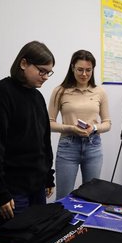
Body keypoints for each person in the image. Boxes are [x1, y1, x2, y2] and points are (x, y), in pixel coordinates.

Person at [0, 40, 56, 234]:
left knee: (36, 241)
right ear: (23, 63)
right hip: (10, 193)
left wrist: (48, 176)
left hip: (36, 187)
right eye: (42, 71)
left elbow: (44, 142)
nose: (46, 77)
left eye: (49, 73)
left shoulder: (37, 97)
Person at [48, 50, 111, 200]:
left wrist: (94, 128)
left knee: (92, 196)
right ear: (72, 68)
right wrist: (70, 128)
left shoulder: (100, 92)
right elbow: (49, 124)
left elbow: (107, 123)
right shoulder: (60, 91)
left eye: (88, 70)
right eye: (80, 69)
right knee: (63, 197)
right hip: (68, 147)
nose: (84, 74)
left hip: (93, 146)